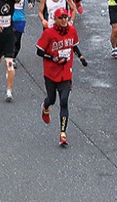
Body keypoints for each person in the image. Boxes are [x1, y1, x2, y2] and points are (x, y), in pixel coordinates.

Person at [34, 8, 88, 146]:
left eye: (66, 17)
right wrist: (53, 58)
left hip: (66, 73)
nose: (64, 20)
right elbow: (39, 51)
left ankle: (63, 134)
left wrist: (81, 57)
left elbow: (74, 46)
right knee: (52, 99)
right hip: (51, 73)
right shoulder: (49, 33)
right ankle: (45, 107)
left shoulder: (72, 31)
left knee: (64, 101)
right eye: (61, 18)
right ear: (56, 19)